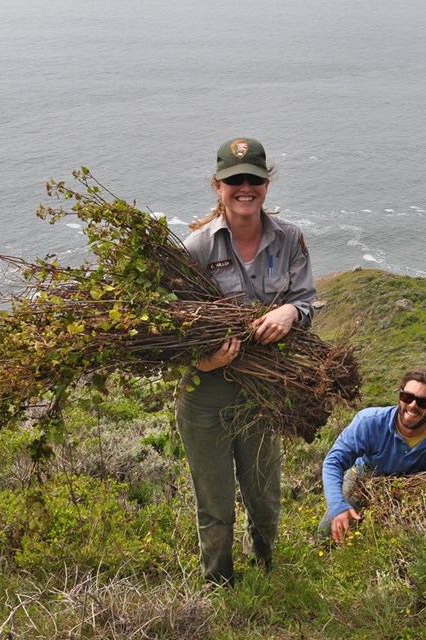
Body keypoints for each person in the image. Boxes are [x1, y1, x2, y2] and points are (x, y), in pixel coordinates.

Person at [176, 136, 316, 585]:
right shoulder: (195, 249)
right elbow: (173, 332)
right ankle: (219, 585)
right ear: (217, 185)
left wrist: (290, 312)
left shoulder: (291, 238)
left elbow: (308, 302)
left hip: (263, 390)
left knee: (263, 492)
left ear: (266, 184)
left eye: (253, 179)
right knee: (214, 501)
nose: (244, 187)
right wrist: (205, 362)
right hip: (206, 395)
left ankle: (269, 572)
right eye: (234, 179)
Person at [320, 368, 426, 542]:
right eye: (407, 397)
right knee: (327, 532)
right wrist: (338, 506)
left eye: (422, 402)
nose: (412, 405)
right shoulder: (369, 422)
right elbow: (334, 461)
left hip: (417, 488)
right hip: (365, 477)